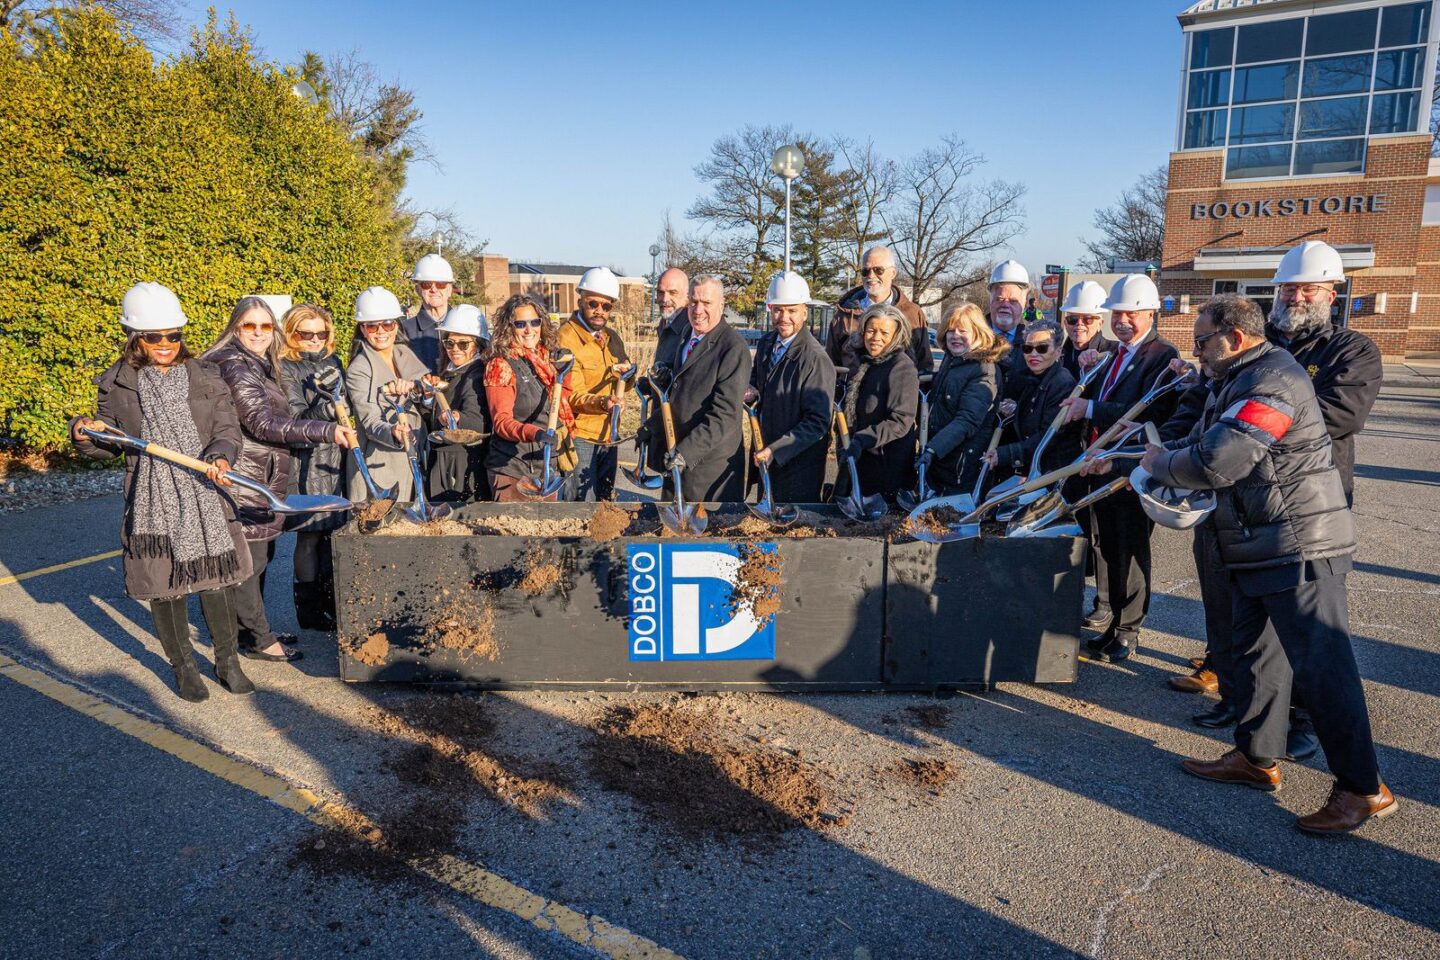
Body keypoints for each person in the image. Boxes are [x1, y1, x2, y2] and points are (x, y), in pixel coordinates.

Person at [1142, 293, 1395, 835]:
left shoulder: (1272, 381)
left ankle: (1364, 789)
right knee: (1256, 657)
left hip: (1299, 546)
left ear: (1233, 338)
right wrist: (1132, 461)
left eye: (1203, 340)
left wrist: (1160, 464)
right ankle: (1256, 759)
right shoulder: (1235, 378)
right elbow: (1203, 436)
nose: (1198, 351)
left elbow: (1221, 458)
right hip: (1259, 544)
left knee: (1324, 672)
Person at [70, 283, 256, 702]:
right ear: (135, 337)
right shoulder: (117, 384)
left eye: (173, 335)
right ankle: (184, 667)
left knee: (216, 580)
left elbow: (227, 428)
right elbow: (108, 443)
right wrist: (84, 433)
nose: (166, 344)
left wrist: (221, 457)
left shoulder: (206, 375)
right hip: (152, 500)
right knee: (163, 583)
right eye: (155, 336)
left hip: (204, 490)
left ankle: (227, 662)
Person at [206, 297, 355, 663]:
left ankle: (250, 632)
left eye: (264, 326)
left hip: (263, 468)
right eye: (250, 326)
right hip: (249, 471)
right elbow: (263, 422)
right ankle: (259, 639)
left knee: (260, 555)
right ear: (235, 328)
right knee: (252, 559)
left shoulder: (257, 363)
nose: (258, 333)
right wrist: (327, 428)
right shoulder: (238, 366)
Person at [1060, 274, 1179, 663]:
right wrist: (1088, 369)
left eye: (1131, 313)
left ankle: (1129, 630)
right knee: (1109, 547)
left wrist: (1091, 407)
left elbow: (1151, 411)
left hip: (1130, 468)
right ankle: (1113, 621)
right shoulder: (1114, 354)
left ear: (1150, 313)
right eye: (1117, 312)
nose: (1122, 319)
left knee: (1130, 550)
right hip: (1101, 465)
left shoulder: (1160, 356)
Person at [1266, 241, 1382, 508]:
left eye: (1310, 289)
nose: (1297, 297)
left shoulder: (1353, 350)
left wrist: (1250, 421)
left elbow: (1341, 416)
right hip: (1250, 481)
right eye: (1289, 288)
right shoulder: (1254, 341)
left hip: (1315, 487)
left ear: (1330, 297)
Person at [645, 275, 751, 502]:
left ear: (721, 306)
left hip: (708, 468)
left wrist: (686, 453)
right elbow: (681, 393)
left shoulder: (733, 348)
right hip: (676, 457)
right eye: (693, 302)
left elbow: (724, 416)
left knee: (704, 535)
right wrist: (651, 426)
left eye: (706, 303)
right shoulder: (687, 335)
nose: (698, 310)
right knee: (672, 530)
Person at [278, 303, 349, 632]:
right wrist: (328, 407)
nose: (315, 339)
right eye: (306, 334)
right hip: (306, 458)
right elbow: (293, 420)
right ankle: (308, 610)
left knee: (331, 534)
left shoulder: (332, 360)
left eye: (322, 333)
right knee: (309, 535)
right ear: (291, 333)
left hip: (335, 456)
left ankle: (329, 603)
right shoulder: (284, 367)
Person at [748, 271, 836, 502]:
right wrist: (750, 390)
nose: (783, 317)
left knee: (792, 533)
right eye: (777, 310)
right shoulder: (768, 344)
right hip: (765, 454)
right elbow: (756, 380)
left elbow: (818, 422)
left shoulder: (815, 359)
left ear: (805, 312)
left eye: (791, 310)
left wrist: (777, 450)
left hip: (798, 466)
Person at [483, 293, 575, 502]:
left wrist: (565, 372)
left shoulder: (547, 359)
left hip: (545, 466)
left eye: (534, 322)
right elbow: (501, 423)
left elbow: (562, 400)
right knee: (514, 532)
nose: (529, 330)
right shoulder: (501, 365)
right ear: (509, 327)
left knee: (544, 532)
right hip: (512, 468)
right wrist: (536, 433)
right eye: (520, 324)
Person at [345, 286, 431, 502]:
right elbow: (370, 421)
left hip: (414, 459)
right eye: (372, 326)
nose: (381, 331)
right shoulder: (360, 368)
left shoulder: (404, 353)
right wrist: (393, 431)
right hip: (381, 466)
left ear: (396, 325)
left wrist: (419, 389)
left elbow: (426, 392)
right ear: (363, 329)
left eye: (387, 324)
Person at [557, 267, 631, 502]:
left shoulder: (612, 338)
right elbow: (570, 395)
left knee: (605, 504)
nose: (599, 311)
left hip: (609, 435)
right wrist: (603, 402)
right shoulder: (565, 338)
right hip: (581, 437)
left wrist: (627, 376)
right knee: (582, 505)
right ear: (581, 299)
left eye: (606, 306)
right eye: (593, 304)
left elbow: (624, 382)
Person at [920, 303, 1009, 495]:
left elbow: (967, 420)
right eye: (951, 330)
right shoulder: (953, 360)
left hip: (961, 463)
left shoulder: (984, 369)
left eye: (963, 330)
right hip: (943, 457)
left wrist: (933, 449)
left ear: (977, 332)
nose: (955, 336)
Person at [835, 303, 919, 505]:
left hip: (886, 467)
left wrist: (862, 440)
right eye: (871, 330)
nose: (876, 338)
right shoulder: (866, 362)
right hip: (862, 460)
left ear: (896, 335)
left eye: (884, 332)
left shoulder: (901, 366)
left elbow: (901, 421)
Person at [985, 321, 1079, 480]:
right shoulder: (1027, 377)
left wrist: (1006, 454)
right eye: (1028, 348)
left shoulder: (1063, 384)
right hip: (1033, 467)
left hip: (1053, 473)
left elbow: (1049, 436)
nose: (1033, 354)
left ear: (1058, 351)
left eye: (1042, 348)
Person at [828, 245, 932, 377]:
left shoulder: (913, 313)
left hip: (899, 394)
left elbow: (924, 363)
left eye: (878, 270)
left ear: (893, 273)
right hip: (852, 394)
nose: (871, 276)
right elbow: (831, 363)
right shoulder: (844, 315)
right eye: (865, 271)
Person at [425, 304, 491, 503]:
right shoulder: (451, 371)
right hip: (446, 460)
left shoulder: (475, 374)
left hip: (462, 463)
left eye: (463, 344)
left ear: (478, 344)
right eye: (449, 343)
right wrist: (429, 397)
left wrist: (457, 417)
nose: (455, 349)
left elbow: (478, 421)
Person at [402, 253, 454, 372]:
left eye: (440, 284)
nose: (434, 289)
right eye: (427, 284)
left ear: (450, 289)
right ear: (418, 290)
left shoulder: (466, 325)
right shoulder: (405, 330)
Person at [1059, 280, 1113, 379]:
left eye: (1088, 319)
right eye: (1073, 319)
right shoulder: (1058, 356)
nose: (1079, 324)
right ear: (1065, 323)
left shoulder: (1113, 353)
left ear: (1100, 324)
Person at [988, 260, 1031, 379]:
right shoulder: (972, 336)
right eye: (1000, 299)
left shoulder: (1034, 341)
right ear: (990, 301)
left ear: (1024, 303)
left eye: (1013, 301)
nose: (1005, 305)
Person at [655, 266, 690, 335]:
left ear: (687, 295)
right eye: (661, 292)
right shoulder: (664, 325)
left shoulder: (692, 331)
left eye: (672, 293)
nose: (665, 299)